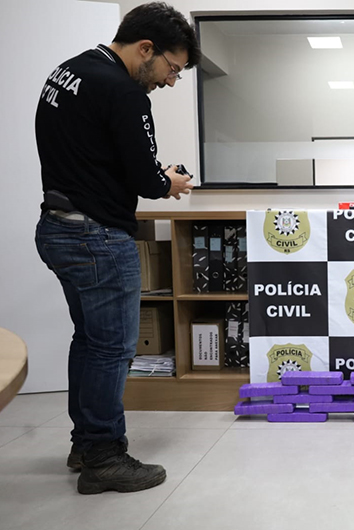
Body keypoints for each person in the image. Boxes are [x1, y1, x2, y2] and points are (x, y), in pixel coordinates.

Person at [34, 2, 200, 494]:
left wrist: (148, 174)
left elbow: (94, 154)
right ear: (146, 48)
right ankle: (105, 457)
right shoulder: (124, 92)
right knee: (111, 350)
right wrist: (168, 181)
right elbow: (147, 180)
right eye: (172, 68)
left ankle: (86, 444)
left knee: (89, 342)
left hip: (58, 227)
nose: (170, 81)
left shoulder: (68, 72)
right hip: (98, 238)